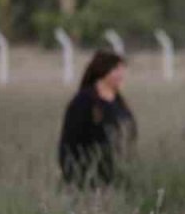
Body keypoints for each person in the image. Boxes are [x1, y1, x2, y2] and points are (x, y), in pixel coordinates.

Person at [58, 49, 137, 187]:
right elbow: (70, 140)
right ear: (103, 71)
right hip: (88, 172)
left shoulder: (119, 101)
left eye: (122, 70)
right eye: (116, 70)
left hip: (116, 171)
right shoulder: (84, 101)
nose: (121, 75)